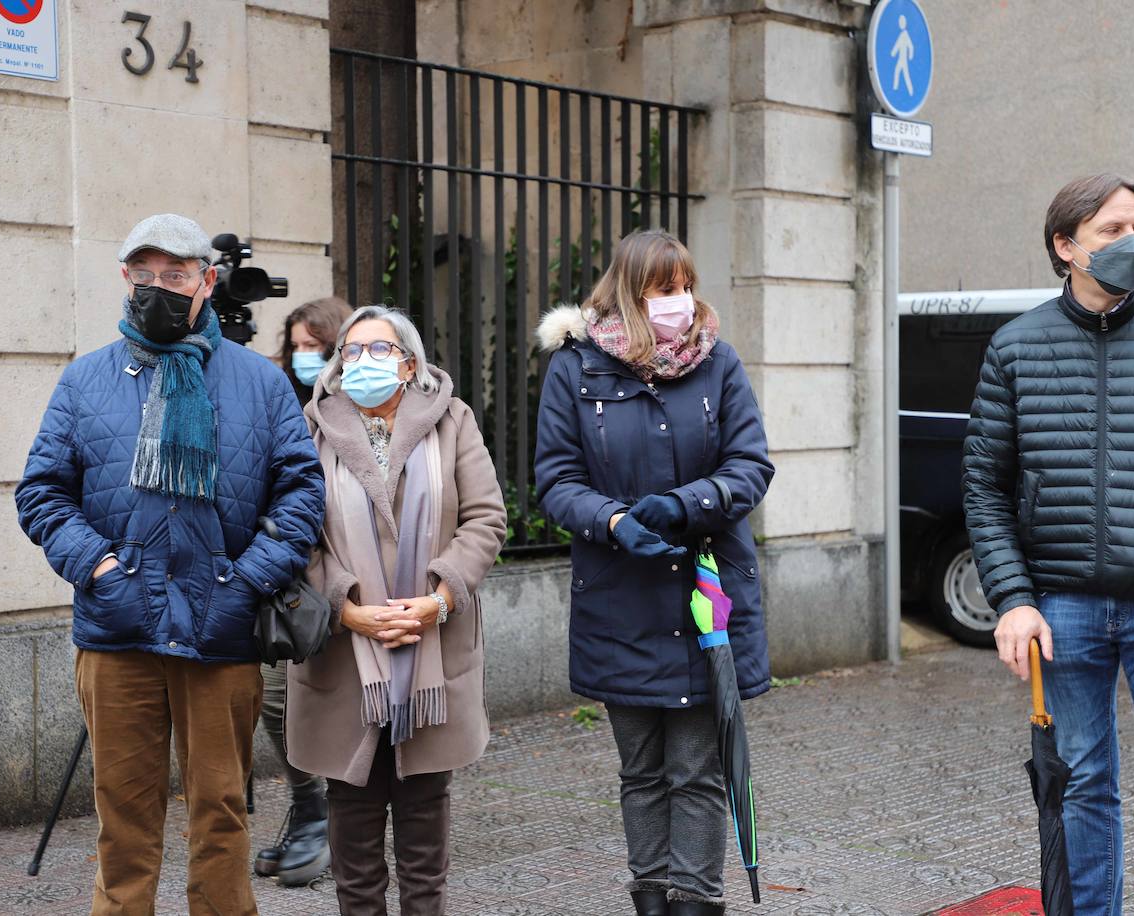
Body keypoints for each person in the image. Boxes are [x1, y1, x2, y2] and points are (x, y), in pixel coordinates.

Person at [15, 213, 325, 916]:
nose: (158, 287)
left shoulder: (260, 381)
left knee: (221, 812)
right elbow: (42, 493)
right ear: (125, 277)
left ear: (206, 281)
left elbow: (302, 493)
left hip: (221, 627)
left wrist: (247, 581)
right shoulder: (85, 380)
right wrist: (99, 569)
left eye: (176, 275)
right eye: (144, 274)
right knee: (123, 819)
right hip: (118, 629)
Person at [964, 174, 1134, 915]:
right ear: (1066, 246)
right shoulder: (1015, 347)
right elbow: (986, 488)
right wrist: (1014, 600)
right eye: (1113, 230)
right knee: (1083, 785)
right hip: (1063, 610)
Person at [533, 229, 775, 916]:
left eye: (686, 286)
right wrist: (612, 521)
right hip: (619, 599)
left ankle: (695, 902)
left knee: (697, 771)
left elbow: (751, 465)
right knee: (641, 771)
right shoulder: (575, 369)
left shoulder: (719, 362)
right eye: (666, 288)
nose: (682, 301)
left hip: (706, 597)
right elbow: (556, 480)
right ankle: (650, 899)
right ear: (631, 292)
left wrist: (687, 504)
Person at [285, 305, 506, 916]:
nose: (363, 361)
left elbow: (485, 520)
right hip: (343, 654)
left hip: (432, 643)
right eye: (351, 351)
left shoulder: (452, 420)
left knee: (424, 834)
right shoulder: (310, 427)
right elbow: (293, 534)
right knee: (352, 831)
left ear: (409, 364)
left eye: (379, 350)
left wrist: (440, 598)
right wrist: (344, 607)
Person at [255, 294, 351, 886]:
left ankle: (344, 819)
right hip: (288, 576)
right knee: (274, 698)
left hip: (352, 577)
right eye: (296, 347)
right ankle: (312, 806)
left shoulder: (363, 404)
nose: (303, 356)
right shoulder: (279, 399)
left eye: (315, 346)